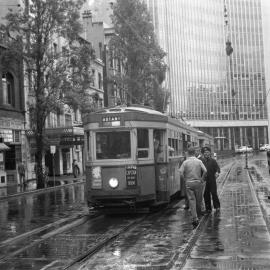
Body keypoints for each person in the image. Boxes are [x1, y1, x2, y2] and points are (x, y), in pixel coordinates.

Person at [179, 147, 207, 228]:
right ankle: (199, 215)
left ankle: (195, 218)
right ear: (194, 153)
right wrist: (202, 179)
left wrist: (185, 179)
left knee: (191, 200)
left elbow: (180, 172)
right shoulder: (199, 161)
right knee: (199, 200)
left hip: (189, 183)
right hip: (198, 182)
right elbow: (205, 171)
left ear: (188, 153)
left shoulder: (185, 162)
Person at [201, 146, 221, 213]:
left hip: (212, 180)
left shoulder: (213, 161)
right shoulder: (201, 161)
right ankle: (208, 208)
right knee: (206, 195)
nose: (206, 154)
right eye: (205, 152)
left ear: (210, 153)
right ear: (203, 153)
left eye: (207, 152)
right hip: (205, 181)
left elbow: (217, 169)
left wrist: (217, 172)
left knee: (214, 193)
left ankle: (217, 206)